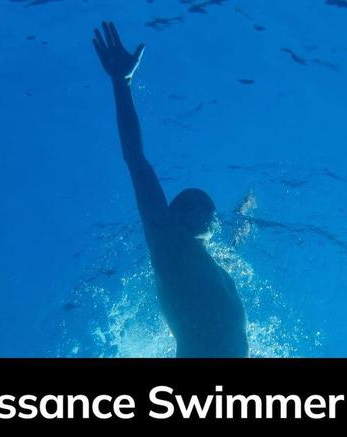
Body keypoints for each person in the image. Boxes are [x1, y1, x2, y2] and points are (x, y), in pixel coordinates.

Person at [92, 22, 248, 357]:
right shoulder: (167, 241)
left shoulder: (212, 265)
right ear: (174, 215)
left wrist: (245, 214)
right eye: (191, 203)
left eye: (206, 204)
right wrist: (122, 83)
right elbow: (137, 161)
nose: (203, 208)